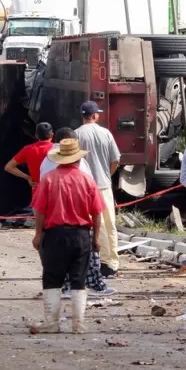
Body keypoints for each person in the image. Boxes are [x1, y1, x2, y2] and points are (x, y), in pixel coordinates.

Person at [30, 139, 105, 334]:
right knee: (78, 279)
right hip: (81, 236)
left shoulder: (48, 179)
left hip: (54, 236)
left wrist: (38, 234)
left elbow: (39, 210)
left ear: (59, 159)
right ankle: (78, 324)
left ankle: (51, 322)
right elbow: (97, 213)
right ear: (78, 160)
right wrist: (96, 238)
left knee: (52, 278)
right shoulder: (87, 180)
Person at [76, 101, 121, 278]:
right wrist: (107, 174)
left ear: (83, 115)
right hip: (103, 185)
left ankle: (95, 261)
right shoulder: (106, 133)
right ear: (94, 115)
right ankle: (112, 262)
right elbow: (116, 160)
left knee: (91, 226)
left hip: (84, 187)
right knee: (109, 224)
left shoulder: (77, 134)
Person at [5, 122, 55, 193]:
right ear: (52, 135)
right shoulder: (57, 149)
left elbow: (8, 167)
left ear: (36, 136)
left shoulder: (27, 149)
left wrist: (28, 177)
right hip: (55, 193)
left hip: (37, 194)